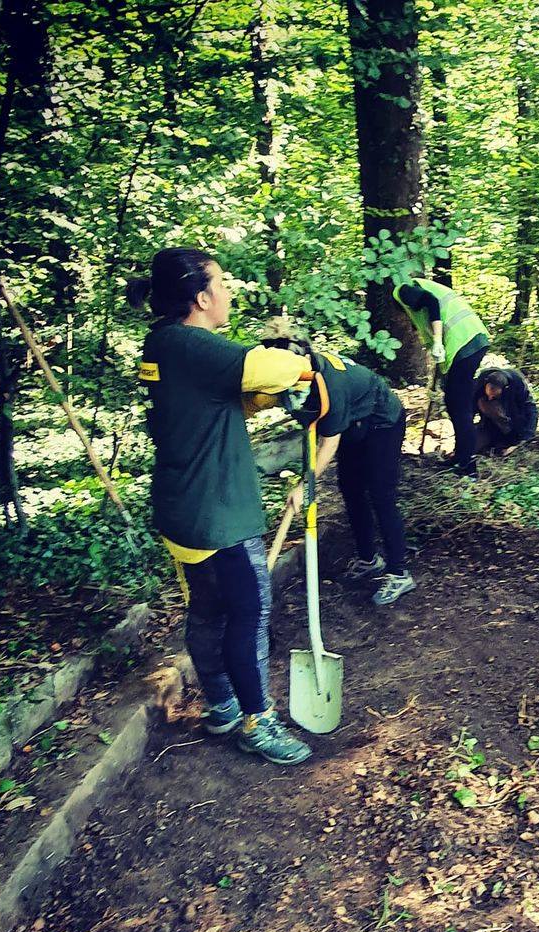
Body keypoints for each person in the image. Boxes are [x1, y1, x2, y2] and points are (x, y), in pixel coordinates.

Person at [130, 247, 312, 765]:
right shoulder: (192, 344)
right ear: (202, 297)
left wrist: (258, 398)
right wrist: (303, 359)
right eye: (222, 285)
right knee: (249, 614)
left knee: (208, 610)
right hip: (217, 514)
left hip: (182, 509)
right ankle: (258, 721)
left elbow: (211, 402)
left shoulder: (163, 343)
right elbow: (276, 367)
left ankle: (223, 705)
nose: (229, 293)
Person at [272, 320, 415, 607]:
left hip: (381, 421)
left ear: (303, 358)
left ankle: (399, 573)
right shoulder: (289, 378)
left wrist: (304, 487)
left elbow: (329, 444)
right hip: (353, 424)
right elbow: (313, 425)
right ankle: (368, 559)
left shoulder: (328, 383)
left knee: (380, 494)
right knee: (350, 489)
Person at [393, 278, 490, 477]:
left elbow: (431, 302)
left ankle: (467, 466)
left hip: (464, 342)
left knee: (458, 404)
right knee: (456, 402)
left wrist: (437, 341)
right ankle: (462, 457)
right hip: (472, 340)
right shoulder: (419, 303)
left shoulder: (401, 291)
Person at [472, 367, 539, 457]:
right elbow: (469, 411)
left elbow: (531, 410)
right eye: (489, 394)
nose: (490, 398)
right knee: (471, 445)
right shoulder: (479, 384)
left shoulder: (517, 383)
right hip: (488, 425)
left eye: (494, 397)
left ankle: (509, 441)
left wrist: (526, 438)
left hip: (514, 425)